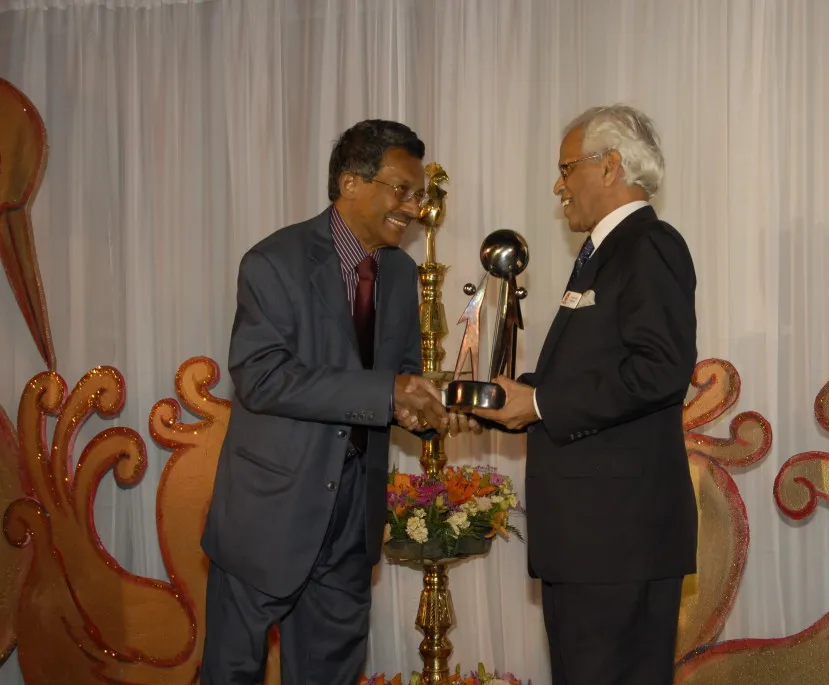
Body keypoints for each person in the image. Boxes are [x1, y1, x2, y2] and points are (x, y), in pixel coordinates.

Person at [200, 119, 479, 684]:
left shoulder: (400, 272)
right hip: (268, 516)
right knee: (232, 673)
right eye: (402, 190)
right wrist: (387, 391)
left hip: (352, 519)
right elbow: (261, 377)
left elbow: (398, 378)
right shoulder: (273, 262)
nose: (415, 208)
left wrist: (428, 409)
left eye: (419, 195)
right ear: (351, 183)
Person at [474, 105, 699, 685]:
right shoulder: (607, 251)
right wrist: (517, 398)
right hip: (593, 542)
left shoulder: (648, 244)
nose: (559, 186)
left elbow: (661, 370)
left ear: (610, 166)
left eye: (566, 168)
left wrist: (540, 405)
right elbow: (600, 371)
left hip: (618, 542)